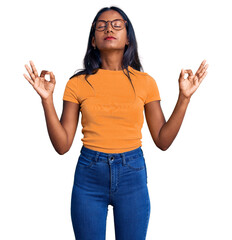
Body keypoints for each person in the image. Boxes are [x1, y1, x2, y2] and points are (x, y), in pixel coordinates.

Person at [23, 6, 208, 240]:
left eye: (116, 24)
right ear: (93, 40)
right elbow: (62, 146)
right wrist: (47, 100)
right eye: (101, 25)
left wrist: (184, 98)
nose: (109, 28)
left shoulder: (145, 83)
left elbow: (162, 140)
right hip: (89, 176)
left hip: (132, 174)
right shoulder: (77, 84)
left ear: (128, 37)